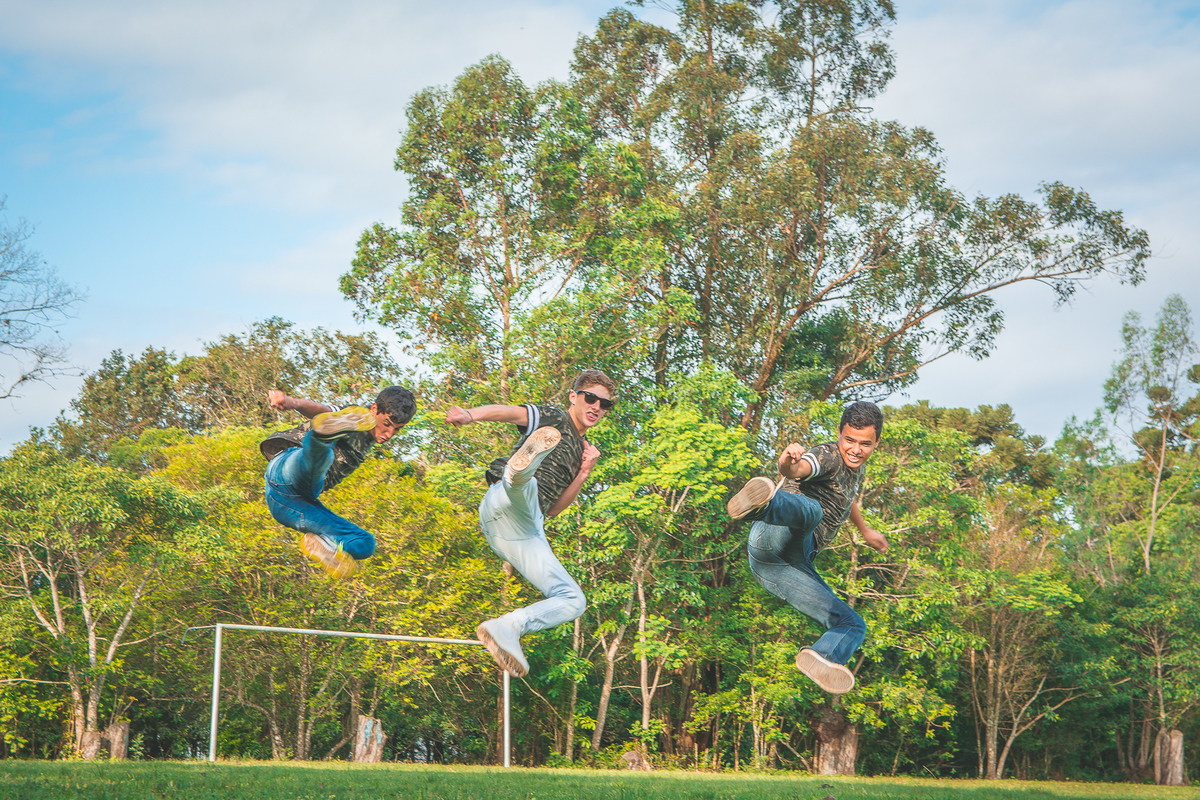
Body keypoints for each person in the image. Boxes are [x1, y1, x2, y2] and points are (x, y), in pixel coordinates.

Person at [445, 369, 615, 677]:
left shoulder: (583, 451)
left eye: (604, 405)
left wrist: (584, 472)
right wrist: (469, 415)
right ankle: (519, 468)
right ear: (574, 397)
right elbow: (509, 413)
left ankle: (508, 626)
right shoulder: (554, 417)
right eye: (591, 398)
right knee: (525, 485)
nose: (596, 408)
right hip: (504, 498)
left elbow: (554, 511)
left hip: (520, 530)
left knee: (574, 600)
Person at [726, 401, 889, 694]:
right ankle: (760, 506)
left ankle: (824, 656)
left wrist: (864, 530)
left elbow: (846, 496)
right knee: (812, 512)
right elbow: (799, 469)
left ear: (876, 442)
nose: (855, 449)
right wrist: (786, 461)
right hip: (774, 532)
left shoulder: (855, 470)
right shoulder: (826, 455)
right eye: (849, 440)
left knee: (852, 624)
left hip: (777, 566)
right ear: (840, 432)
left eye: (865, 444)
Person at [260, 386, 416, 578]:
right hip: (287, 468)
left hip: (289, 506)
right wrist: (291, 402)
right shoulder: (359, 416)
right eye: (387, 423)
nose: (390, 433)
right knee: (320, 459)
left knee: (365, 543)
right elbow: (323, 410)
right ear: (374, 409)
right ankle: (322, 436)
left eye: (397, 429)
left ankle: (326, 544)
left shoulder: (366, 427)